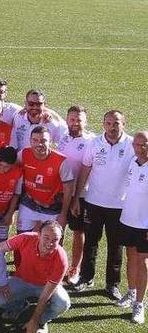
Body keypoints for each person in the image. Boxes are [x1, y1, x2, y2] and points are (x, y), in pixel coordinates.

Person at [72, 111, 133, 300]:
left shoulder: (132, 145)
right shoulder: (94, 143)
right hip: (94, 202)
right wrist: (76, 198)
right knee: (91, 242)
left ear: (123, 124)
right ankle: (86, 277)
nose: (112, 127)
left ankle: (112, 284)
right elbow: (85, 169)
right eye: (108, 123)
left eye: (116, 123)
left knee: (115, 246)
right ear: (103, 124)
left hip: (119, 206)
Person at [0, 221, 71, 333]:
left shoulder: (61, 259)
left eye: (55, 239)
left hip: (45, 286)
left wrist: (35, 320)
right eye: (46, 237)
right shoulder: (26, 238)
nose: (50, 243)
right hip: (22, 280)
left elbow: (46, 295)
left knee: (62, 303)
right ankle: (20, 306)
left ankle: (42, 321)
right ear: (39, 234)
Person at [56, 106, 95, 287]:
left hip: (81, 194)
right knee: (58, 228)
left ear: (85, 122)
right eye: (72, 119)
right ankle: (57, 264)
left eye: (79, 120)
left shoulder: (91, 141)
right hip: (60, 192)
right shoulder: (63, 137)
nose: (75, 123)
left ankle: (75, 268)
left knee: (78, 231)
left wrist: (78, 197)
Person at [17, 126, 75, 235]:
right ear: (30, 141)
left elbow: (68, 189)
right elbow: (10, 166)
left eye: (43, 141)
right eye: (35, 140)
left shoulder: (62, 162)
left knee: (52, 243)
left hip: (53, 208)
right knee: (22, 240)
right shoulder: (23, 154)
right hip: (29, 203)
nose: (39, 144)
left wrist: (63, 214)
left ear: (51, 142)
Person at [119, 131, 148, 324]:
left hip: (145, 224)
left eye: (144, 144)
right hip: (127, 220)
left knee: (143, 263)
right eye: (137, 144)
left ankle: (139, 304)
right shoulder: (132, 162)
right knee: (130, 256)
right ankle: (131, 292)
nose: (140, 148)